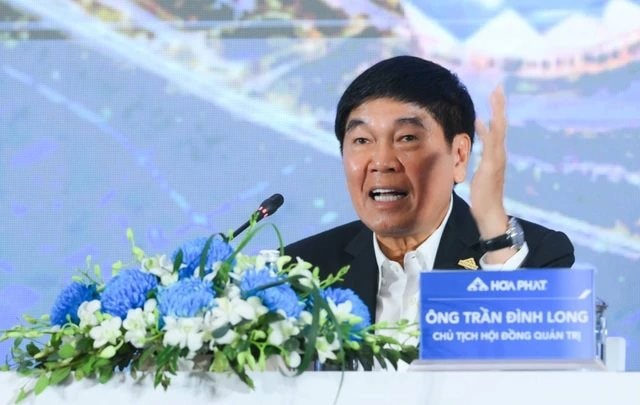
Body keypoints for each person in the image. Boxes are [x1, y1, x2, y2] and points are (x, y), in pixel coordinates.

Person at [285, 55, 574, 326]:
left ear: (458, 155)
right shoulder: (297, 273)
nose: (382, 162)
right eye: (362, 140)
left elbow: (518, 349)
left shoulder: (536, 257)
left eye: (407, 138)